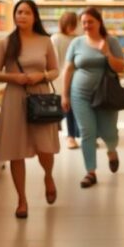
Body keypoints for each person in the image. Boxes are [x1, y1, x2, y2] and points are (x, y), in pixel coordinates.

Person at [0, 0, 60, 218]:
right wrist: (15, 77)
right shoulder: (6, 43)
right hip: (15, 98)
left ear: (34, 16)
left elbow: (55, 71)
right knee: (15, 151)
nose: (22, 16)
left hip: (41, 97)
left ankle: (48, 176)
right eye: (19, 12)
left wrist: (42, 75)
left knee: (44, 147)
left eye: (27, 12)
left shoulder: (45, 41)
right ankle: (22, 200)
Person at [62, 7, 124, 188]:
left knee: (109, 132)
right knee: (87, 132)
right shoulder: (76, 43)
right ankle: (90, 172)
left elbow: (120, 67)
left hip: (106, 96)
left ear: (99, 22)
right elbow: (68, 69)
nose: (86, 25)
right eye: (83, 22)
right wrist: (64, 95)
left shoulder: (110, 41)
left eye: (90, 22)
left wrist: (106, 53)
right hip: (79, 95)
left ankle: (112, 151)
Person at [50, 12, 80, 149]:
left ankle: (71, 136)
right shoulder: (57, 39)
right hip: (66, 79)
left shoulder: (76, 39)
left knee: (68, 108)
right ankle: (70, 137)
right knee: (68, 109)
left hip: (65, 79)